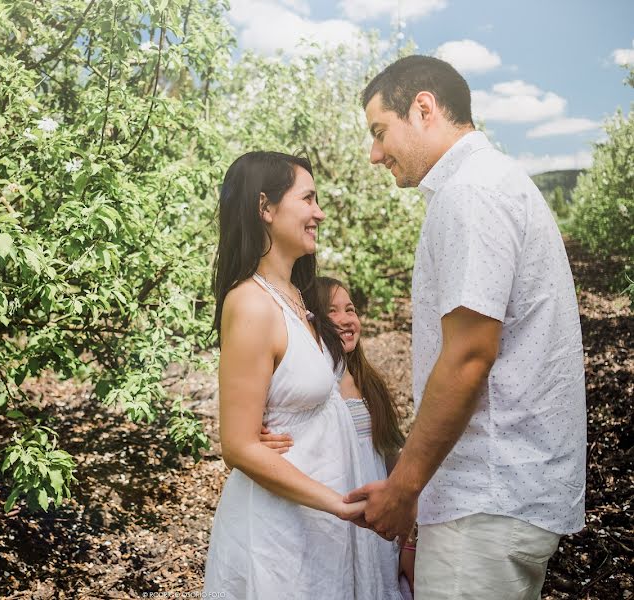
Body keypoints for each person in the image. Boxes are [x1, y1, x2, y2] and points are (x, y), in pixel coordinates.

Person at [342, 55, 586, 600]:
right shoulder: (493, 181)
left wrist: (403, 491)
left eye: (381, 132)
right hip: (498, 497)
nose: (375, 153)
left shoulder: (470, 192)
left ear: (423, 108)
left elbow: (470, 355)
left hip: (486, 499)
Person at [203, 151, 403, 599]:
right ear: (266, 208)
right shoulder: (251, 303)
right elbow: (237, 444)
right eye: (308, 198)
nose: (320, 212)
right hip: (282, 532)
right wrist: (339, 504)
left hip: (322, 527)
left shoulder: (299, 296)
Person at [259, 276, 415, 593]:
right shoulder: (303, 389)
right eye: (333, 311)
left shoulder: (367, 381)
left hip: (371, 524)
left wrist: (408, 535)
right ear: (311, 320)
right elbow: (250, 443)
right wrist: (259, 441)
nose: (346, 320)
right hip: (323, 517)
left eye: (350, 309)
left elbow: (388, 457)